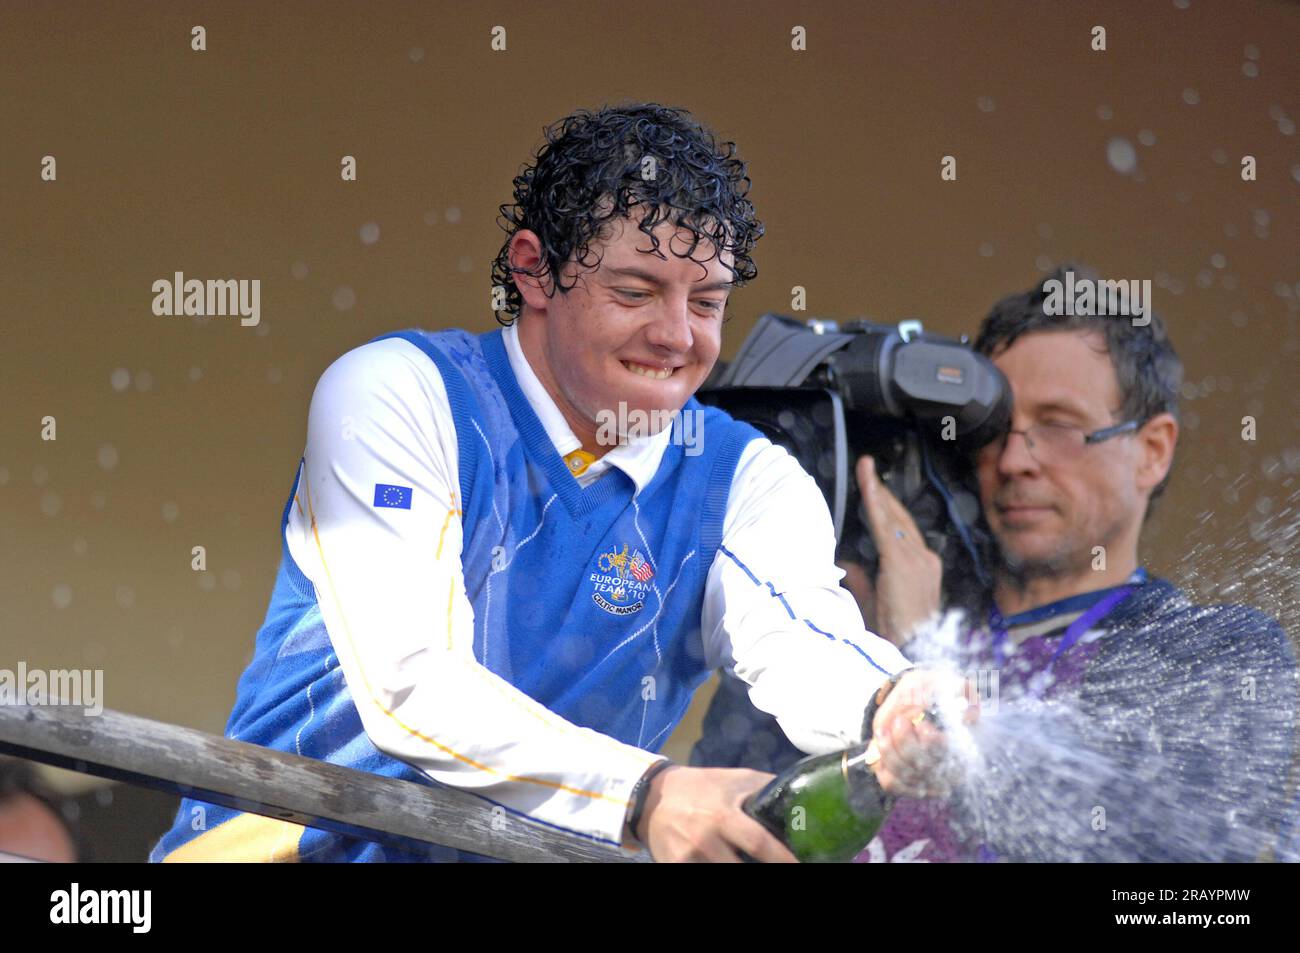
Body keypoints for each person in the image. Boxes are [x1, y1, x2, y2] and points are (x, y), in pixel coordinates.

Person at [149, 102, 967, 864]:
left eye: (708, 302)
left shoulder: (749, 475)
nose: (678, 336)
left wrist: (889, 702)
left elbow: (802, 640)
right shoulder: (396, 390)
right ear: (534, 271)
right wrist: (645, 793)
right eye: (635, 291)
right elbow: (412, 688)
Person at [695, 264, 1297, 862]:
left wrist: (925, 654)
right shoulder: (848, 633)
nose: (1014, 462)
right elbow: (728, 827)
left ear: (1152, 451)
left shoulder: (1213, 652)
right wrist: (836, 634)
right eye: (997, 431)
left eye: (1058, 427)